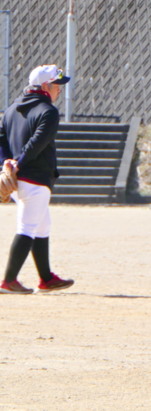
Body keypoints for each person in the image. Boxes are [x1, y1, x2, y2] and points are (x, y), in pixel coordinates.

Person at [0, 65, 75, 294]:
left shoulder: (12, 108)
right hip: (35, 177)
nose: (60, 90)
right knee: (28, 227)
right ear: (45, 86)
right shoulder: (48, 111)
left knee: (42, 225)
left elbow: (1, 138)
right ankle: (8, 281)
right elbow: (38, 143)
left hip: (16, 179)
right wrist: (19, 163)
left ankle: (46, 278)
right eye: (57, 85)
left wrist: (6, 162)